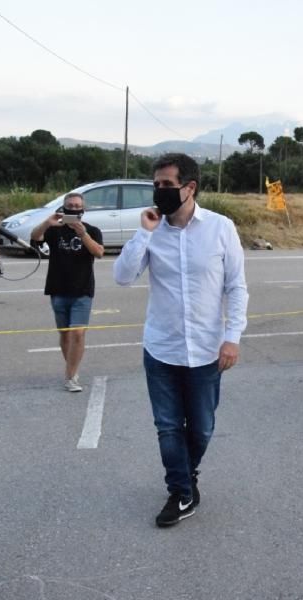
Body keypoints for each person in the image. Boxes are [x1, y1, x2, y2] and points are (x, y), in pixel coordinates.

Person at [113, 153, 248, 528]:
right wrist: (144, 233)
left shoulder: (221, 228)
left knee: (202, 426)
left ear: (190, 188)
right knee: (169, 426)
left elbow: (236, 287)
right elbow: (122, 277)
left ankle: (187, 474)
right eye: (156, 185)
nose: (160, 192)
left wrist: (232, 337)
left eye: (168, 186)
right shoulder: (152, 231)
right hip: (162, 347)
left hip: (207, 349)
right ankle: (181, 491)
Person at [30, 191, 105, 392]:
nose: (73, 209)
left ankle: (70, 377)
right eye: (69, 206)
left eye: (77, 206)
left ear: (84, 209)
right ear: (63, 208)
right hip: (58, 288)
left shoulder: (92, 230)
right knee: (65, 334)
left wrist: (83, 234)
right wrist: (48, 222)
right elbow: (34, 237)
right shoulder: (55, 230)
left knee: (78, 333)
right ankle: (72, 368)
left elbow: (98, 252)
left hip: (82, 289)